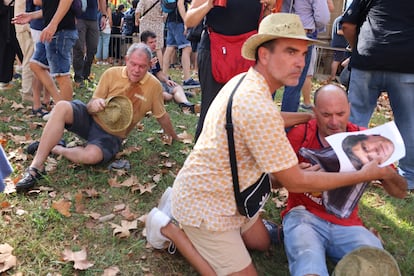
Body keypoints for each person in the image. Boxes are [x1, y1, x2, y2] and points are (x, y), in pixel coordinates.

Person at [145, 14, 398, 275]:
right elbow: (296, 181)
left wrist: (311, 115)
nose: (300, 62)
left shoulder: (248, 82)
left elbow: (269, 118)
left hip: (234, 193)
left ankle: (197, 220)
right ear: (264, 55)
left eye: (302, 53)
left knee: (262, 242)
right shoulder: (256, 104)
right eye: (290, 52)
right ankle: (169, 228)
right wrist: (362, 174)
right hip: (207, 204)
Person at [15, 43, 179, 193]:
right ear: (126, 60)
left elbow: (162, 116)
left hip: (112, 135)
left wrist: (174, 137)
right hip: (92, 119)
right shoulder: (111, 74)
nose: (136, 70)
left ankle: (55, 148)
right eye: (133, 64)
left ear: (150, 66)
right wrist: (95, 105)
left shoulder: (154, 87)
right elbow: (90, 106)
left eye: (142, 66)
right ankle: (36, 167)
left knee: (91, 157)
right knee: (62, 107)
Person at [283, 84, 407, 276]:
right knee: (307, 262)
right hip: (304, 217)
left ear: (349, 108)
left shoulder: (364, 139)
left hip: (347, 224)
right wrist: (292, 174)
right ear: (314, 112)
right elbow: (272, 180)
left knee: (377, 265)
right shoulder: (302, 134)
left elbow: (400, 192)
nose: (334, 122)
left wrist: (386, 174)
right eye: (326, 115)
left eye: (340, 113)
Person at [341, 0, 414, 190]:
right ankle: (409, 177)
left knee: (356, 118)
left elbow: (347, 24)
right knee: (409, 122)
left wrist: (355, 49)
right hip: (405, 64)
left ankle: (350, 169)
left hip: (367, 58)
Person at [185, 0, 279, 141]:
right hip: (214, 53)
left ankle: (235, 158)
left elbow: (264, 27)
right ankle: (203, 158)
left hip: (247, 55)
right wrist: (209, 4)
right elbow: (189, 20)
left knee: (244, 112)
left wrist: (268, 10)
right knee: (212, 111)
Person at [12, 0, 78, 102]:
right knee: (36, 64)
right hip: (52, 30)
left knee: (61, 75)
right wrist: (32, 15)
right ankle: (60, 105)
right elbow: (52, 5)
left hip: (60, 30)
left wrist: (53, 24)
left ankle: (66, 114)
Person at [280, 0, 330, 112]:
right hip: (303, 32)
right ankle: (287, 127)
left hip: (280, 30)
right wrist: (311, 24)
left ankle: (265, 120)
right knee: (294, 83)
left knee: (271, 80)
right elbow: (323, 17)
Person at [141, 30, 196, 113]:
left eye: (155, 41)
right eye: (151, 42)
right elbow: (138, 76)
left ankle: (186, 103)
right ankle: (179, 96)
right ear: (143, 43)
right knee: (167, 96)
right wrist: (148, 66)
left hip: (158, 82)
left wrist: (166, 80)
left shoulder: (153, 54)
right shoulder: (138, 55)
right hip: (147, 86)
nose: (154, 44)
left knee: (176, 86)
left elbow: (158, 72)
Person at [162, 0, 199, 87]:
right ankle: (187, 79)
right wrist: (186, 21)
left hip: (171, 20)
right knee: (187, 48)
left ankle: (164, 76)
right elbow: (180, 4)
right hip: (179, 21)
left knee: (170, 48)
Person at [73, 0, 108, 86]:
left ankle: (85, 74)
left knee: (93, 48)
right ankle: (78, 77)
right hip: (79, 18)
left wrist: (104, 15)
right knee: (79, 48)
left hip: (93, 18)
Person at [135, 0, 165, 68]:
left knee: (144, 46)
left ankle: (143, 65)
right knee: (158, 48)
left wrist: (136, 21)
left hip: (145, 23)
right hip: (158, 24)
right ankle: (161, 67)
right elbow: (165, 13)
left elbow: (137, 11)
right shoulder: (161, 1)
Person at [328, 15, 350, 83]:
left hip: (340, 43)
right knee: (337, 60)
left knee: (339, 59)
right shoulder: (342, 19)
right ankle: (333, 77)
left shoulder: (339, 19)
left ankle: (335, 76)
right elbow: (339, 31)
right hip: (339, 43)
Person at [96, 0, 112, 65]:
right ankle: (105, 61)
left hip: (99, 28)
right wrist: (111, 26)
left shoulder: (98, 8)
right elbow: (110, 20)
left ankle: (98, 60)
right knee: (105, 45)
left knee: (99, 44)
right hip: (107, 29)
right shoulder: (108, 8)